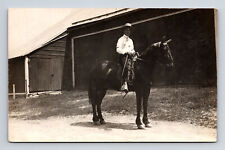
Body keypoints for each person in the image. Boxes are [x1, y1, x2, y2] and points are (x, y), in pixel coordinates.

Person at [116, 23, 136, 92]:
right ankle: (124, 84)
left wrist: (133, 52)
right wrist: (125, 52)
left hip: (131, 56)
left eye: (129, 30)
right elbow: (118, 49)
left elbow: (132, 49)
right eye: (127, 30)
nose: (128, 31)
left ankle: (134, 81)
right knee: (127, 66)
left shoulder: (131, 40)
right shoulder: (120, 39)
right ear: (124, 31)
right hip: (123, 56)